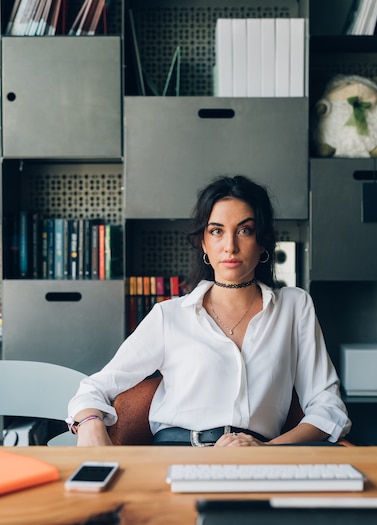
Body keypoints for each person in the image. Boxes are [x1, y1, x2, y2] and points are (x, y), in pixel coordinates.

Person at [67, 175, 351, 446]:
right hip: (173, 454)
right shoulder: (170, 315)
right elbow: (94, 388)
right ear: (204, 242)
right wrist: (90, 422)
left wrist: (270, 449)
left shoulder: (294, 306)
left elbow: (328, 408)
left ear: (262, 240)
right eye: (217, 231)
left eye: (244, 230)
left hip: (254, 460)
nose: (230, 246)